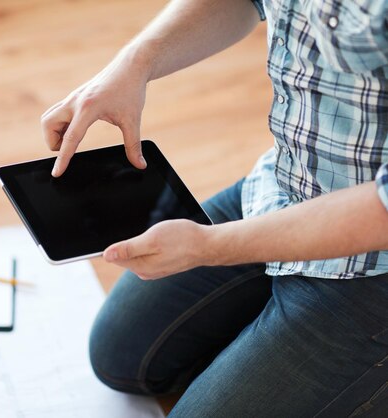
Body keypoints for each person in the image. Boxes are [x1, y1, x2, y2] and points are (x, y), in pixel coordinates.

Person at [40, 0, 388, 416]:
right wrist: (135, 61)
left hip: (373, 265)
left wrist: (209, 245)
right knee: (120, 356)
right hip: (283, 188)